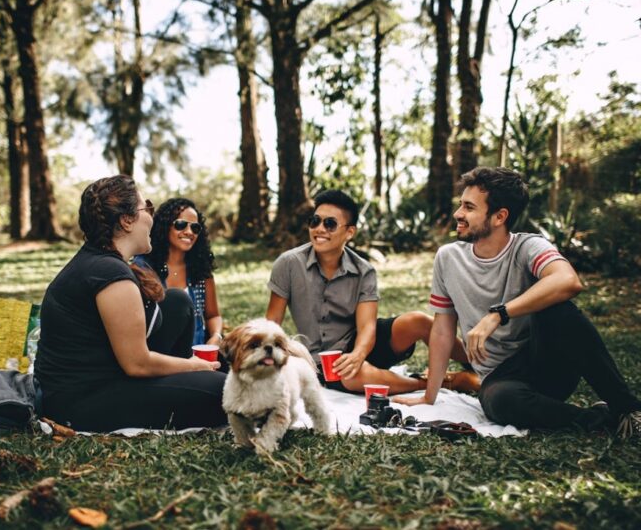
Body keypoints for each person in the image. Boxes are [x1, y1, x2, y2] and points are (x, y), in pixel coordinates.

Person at [395, 167, 641, 438]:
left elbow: (568, 281)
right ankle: (601, 419)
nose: (458, 214)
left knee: (559, 309)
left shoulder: (528, 247)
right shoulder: (448, 258)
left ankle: (627, 409)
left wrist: (498, 314)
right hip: (500, 379)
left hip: (545, 361)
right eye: (460, 205)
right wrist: (430, 396)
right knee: (500, 402)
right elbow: (442, 330)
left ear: (500, 216)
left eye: (468, 207)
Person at [35, 176, 227, 432]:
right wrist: (195, 365)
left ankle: (188, 380)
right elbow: (137, 364)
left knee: (176, 301)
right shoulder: (109, 274)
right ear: (126, 220)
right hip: (82, 400)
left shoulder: (103, 261)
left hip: (107, 374)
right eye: (146, 207)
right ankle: (192, 381)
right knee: (226, 391)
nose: (151, 216)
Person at [265, 189, 479, 395]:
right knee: (353, 376)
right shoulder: (289, 264)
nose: (319, 229)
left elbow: (367, 326)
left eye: (329, 224)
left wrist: (358, 354)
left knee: (419, 321)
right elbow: (272, 322)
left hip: (361, 343)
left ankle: (480, 366)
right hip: (322, 361)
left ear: (349, 232)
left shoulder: (364, 271)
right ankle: (443, 382)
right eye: (315, 221)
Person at [135, 198, 223, 346]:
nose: (189, 232)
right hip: (158, 357)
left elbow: (213, 315)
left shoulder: (201, 269)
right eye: (181, 225)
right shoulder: (143, 268)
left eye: (195, 228)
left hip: (197, 356)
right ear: (164, 227)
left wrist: (216, 337)